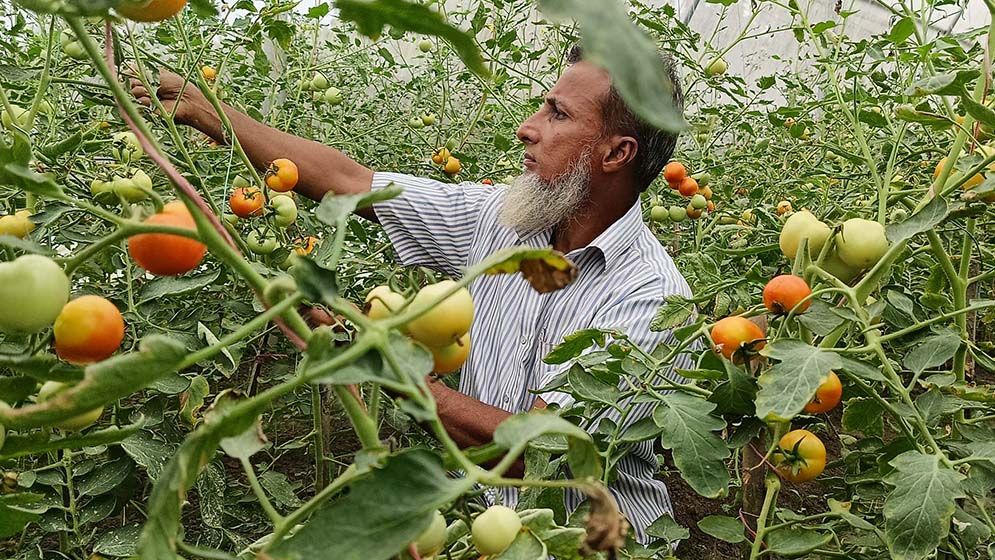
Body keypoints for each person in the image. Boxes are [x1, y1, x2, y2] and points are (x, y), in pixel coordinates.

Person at [129, 44, 691, 543]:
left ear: (616, 154)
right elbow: (353, 183)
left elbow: (534, 451)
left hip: (580, 541)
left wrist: (377, 361)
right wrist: (213, 114)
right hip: (477, 523)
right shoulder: (503, 220)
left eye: (558, 114)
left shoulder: (651, 299)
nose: (527, 125)